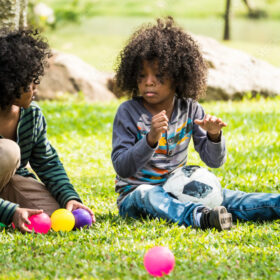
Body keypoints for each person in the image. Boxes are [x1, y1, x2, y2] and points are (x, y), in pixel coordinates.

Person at [111, 17, 280, 231]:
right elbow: (122, 167)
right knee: (148, 193)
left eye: (159, 75)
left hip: (180, 188)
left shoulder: (191, 110)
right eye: (141, 76)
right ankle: (201, 218)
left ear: (178, 77)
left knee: (231, 197)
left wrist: (213, 137)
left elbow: (214, 161)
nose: (149, 82)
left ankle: (275, 204)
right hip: (135, 198)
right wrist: (150, 138)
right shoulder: (128, 112)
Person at [0, 28, 95, 233]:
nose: (36, 89)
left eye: (36, 80)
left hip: (9, 182)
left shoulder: (32, 115)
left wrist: (70, 197)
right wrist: (9, 211)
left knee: (53, 215)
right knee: (8, 151)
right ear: (9, 83)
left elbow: (47, 162)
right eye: (30, 83)